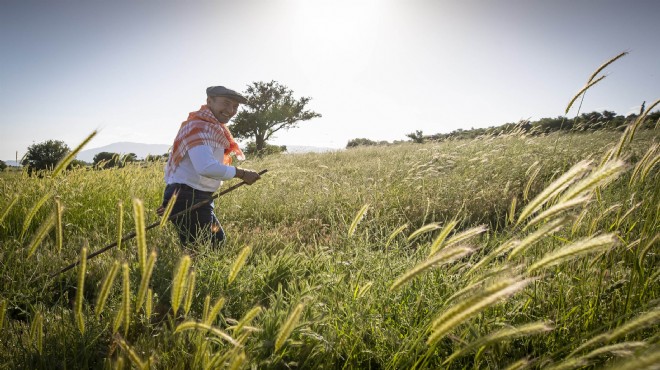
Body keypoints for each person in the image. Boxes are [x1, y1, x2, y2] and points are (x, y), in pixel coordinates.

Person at [159, 85, 261, 248]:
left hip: (190, 196)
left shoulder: (210, 127)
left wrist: (172, 200)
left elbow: (183, 168)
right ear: (209, 101)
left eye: (235, 106)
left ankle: (192, 273)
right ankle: (191, 274)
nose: (231, 110)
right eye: (226, 103)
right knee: (209, 246)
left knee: (207, 246)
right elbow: (206, 167)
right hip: (188, 197)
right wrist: (242, 173)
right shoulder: (200, 127)